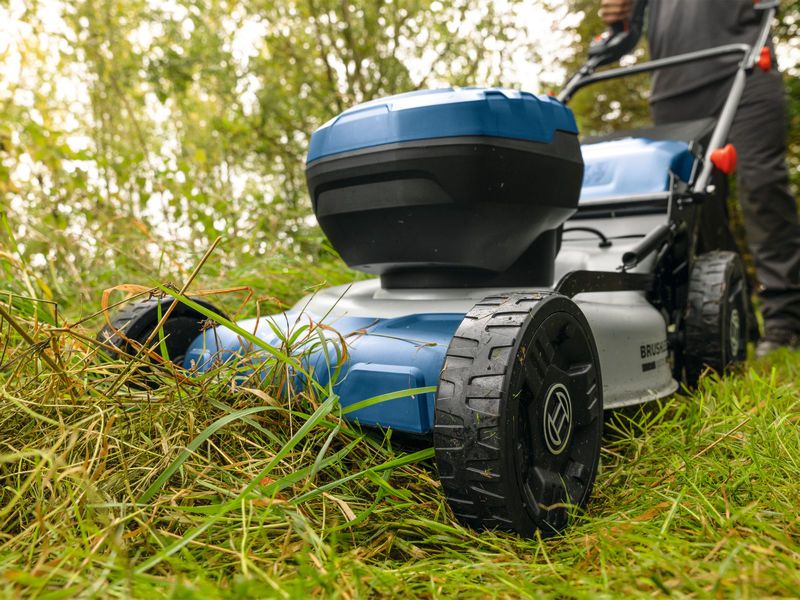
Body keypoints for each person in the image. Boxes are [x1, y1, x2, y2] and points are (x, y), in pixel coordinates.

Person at [599, 0, 800, 356]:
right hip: (674, 84)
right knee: (694, 206)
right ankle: (732, 315)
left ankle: (785, 322)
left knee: (762, 187)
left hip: (746, 64)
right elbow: (624, 37)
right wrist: (620, 23)